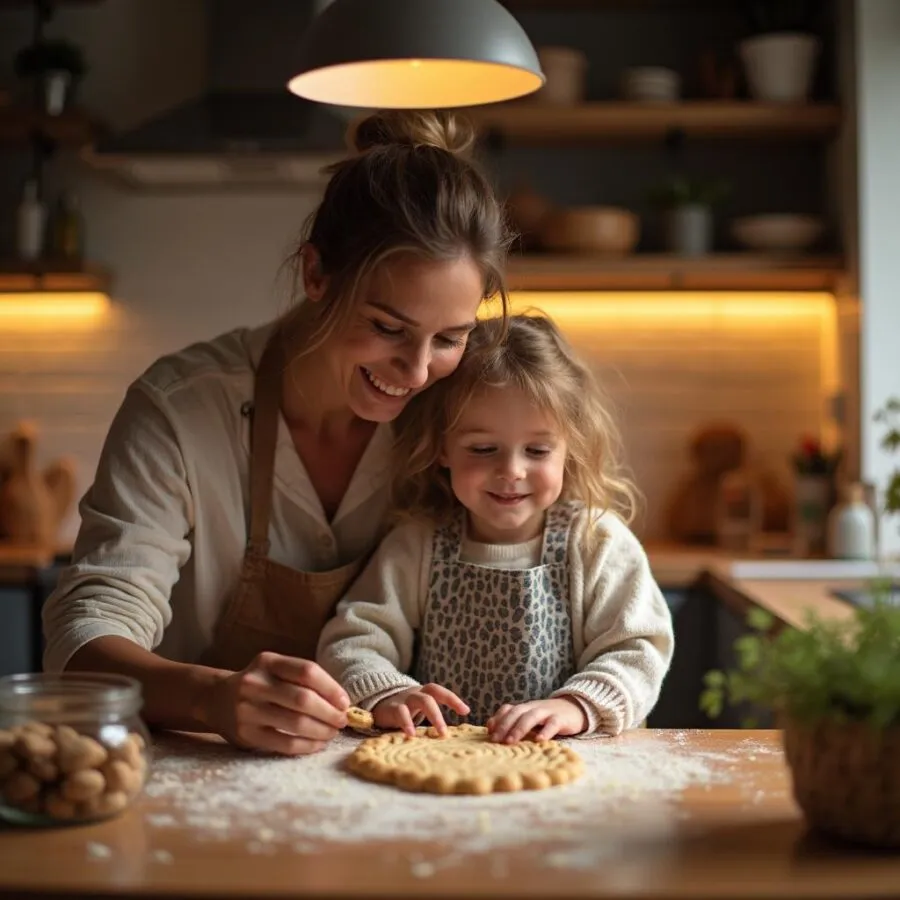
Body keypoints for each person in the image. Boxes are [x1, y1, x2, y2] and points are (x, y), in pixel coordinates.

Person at [41, 110, 511, 757]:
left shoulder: (465, 417)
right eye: (387, 327)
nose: (418, 369)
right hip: (197, 771)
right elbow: (82, 639)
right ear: (316, 274)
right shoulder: (181, 411)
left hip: (408, 776)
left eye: (450, 339)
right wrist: (210, 698)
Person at [317, 314, 675, 743]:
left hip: (578, 769)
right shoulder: (418, 545)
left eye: (537, 450)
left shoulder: (596, 542)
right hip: (441, 768)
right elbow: (355, 639)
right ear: (442, 449)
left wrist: (576, 707)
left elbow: (637, 651)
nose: (511, 471)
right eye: (483, 449)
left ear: (570, 447)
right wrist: (389, 694)